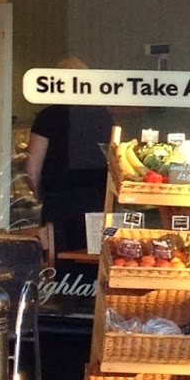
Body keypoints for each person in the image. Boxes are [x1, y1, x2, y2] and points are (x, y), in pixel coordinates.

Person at [24, 57, 113, 258]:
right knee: (93, 260)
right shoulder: (103, 116)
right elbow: (112, 159)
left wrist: (40, 194)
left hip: (60, 202)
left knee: (61, 262)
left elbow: (32, 168)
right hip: (97, 201)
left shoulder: (48, 117)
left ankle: (66, 290)